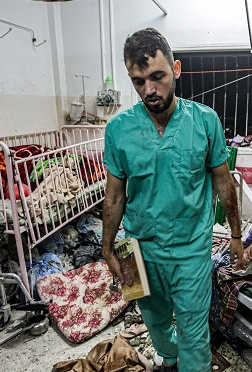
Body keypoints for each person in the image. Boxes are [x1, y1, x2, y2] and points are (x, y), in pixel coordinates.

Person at [102, 27, 243, 372]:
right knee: (154, 321)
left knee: (195, 334)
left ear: (176, 70)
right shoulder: (118, 129)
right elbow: (115, 195)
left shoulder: (205, 121)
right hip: (136, 249)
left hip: (190, 249)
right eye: (138, 81)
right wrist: (107, 247)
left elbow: (224, 182)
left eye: (157, 76)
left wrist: (237, 235)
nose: (149, 90)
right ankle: (168, 359)